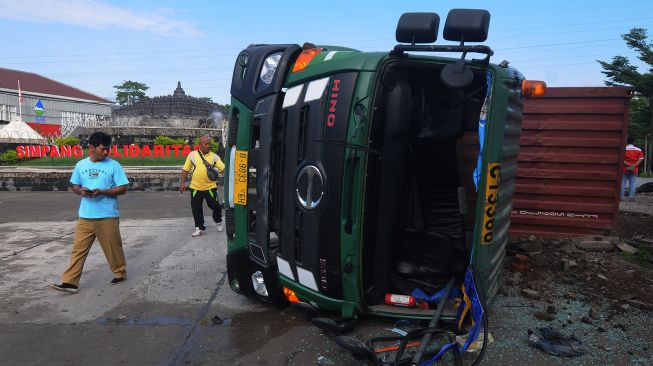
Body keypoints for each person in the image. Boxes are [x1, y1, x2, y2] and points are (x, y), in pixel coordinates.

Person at [51, 132, 129, 294]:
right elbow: (74, 184)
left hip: (107, 216)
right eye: (103, 149)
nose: (107, 152)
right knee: (78, 250)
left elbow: (122, 188)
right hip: (85, 216)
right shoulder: (81, 165)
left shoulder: (114, 165)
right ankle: (70, 282)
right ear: (91, 148)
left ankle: (120, 272)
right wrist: (81, 191)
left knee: (113, 248)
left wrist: (103, 192)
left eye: (108, 149)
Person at [180, 135, 225, 237]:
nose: (208, 146)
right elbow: (185, 170)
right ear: (200, 145)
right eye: (206, 144)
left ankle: (218, 221)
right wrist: (182, 183)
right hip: (195, 188)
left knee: (216, 206)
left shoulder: (214, 156)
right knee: (196, 209)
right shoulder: (192, 155)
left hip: (210, 188)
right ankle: (199, 228)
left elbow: (223, 169)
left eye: (209, 144)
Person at [621, 136, 645, 201]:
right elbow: (640, 159)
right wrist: (634, 165)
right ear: (634, 142)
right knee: (632, 184)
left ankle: (621, 197)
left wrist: (627, 164)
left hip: (624, 169)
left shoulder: (624, 149)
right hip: (634, 170)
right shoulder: (638, 150)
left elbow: (621, 159)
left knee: (622, 183)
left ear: (627, 141)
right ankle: (631, 198)